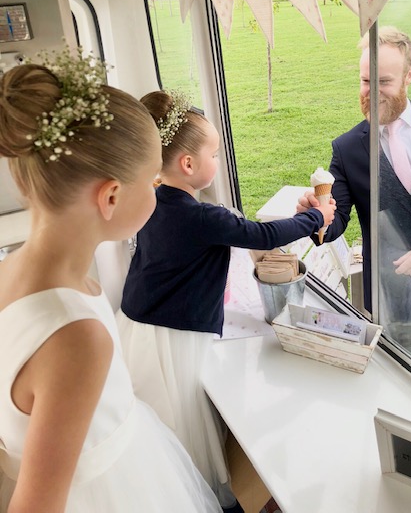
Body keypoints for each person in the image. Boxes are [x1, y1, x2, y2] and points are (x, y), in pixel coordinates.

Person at [0, 50, 223, 513]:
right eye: (152, 185)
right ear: (112, 196)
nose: (156, 193)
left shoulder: (12, 273)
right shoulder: (76, 337)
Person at [116, 89, 336, 513]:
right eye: (215, 154)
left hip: (139, 326)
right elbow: (263, 236)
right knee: (182, 430)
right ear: (188, 164)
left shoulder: (153, 199)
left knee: (159, 429)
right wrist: (316, 218)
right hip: (172, 338)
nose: (218, 162)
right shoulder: (199, 217)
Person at [297, 26, 411, 353]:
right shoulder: (346, 149)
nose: (372, 92)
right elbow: (336, 221)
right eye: (366, 81)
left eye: (383, 82)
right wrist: (316, 218)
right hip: (390, 295)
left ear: (409, 75)